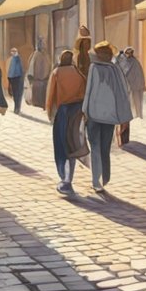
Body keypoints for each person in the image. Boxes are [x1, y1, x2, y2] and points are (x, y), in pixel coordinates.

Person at [81, 41, 133, 193]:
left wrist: (84, 110)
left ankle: (96, 180)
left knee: (95, 147)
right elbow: (123, 91)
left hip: (94, 113)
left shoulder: (93, 68)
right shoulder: (115, 69)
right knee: (105, 147)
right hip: (110, 115)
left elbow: (89, 91)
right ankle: (105, 177)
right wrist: (123, 114)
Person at [45, 50, 86, 194]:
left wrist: (50, 113)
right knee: (72, 143)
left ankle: (64, 178)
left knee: (61, 144)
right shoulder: (78, 73)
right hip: (77, 110)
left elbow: (50, 96)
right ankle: (69, 177)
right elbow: (84, 91)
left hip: (63, 112)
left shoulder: (57, 73)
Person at [27, 38, 51, 108]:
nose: (44, 45)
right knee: (37, 99)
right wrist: (31, 77)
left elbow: (49, 66)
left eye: (44, 44)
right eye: (42, 44)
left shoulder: (46, 55)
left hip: (45, 80)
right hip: (37, 81)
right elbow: (31, 67)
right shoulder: (35, 55)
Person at [7, 48, 26, 114]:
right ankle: (16, 107)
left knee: (18, 94)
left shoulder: (18, 59)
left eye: (14, 51)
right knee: (15, 94)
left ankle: (17, 107)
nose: (12, 53)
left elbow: (20, 69)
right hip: (13, 78)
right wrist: (9, 77)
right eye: (12, 52)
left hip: (18, 78)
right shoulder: (12, 59)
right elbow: (10, 69)